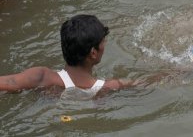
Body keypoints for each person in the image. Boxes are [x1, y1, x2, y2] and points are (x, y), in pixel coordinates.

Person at [0, 14, 159, 97]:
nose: (105, 45)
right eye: (103, 42)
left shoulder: (42, 77)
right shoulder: (107, 88)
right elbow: (148, 82)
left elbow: (7, 82)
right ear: (93, 53)